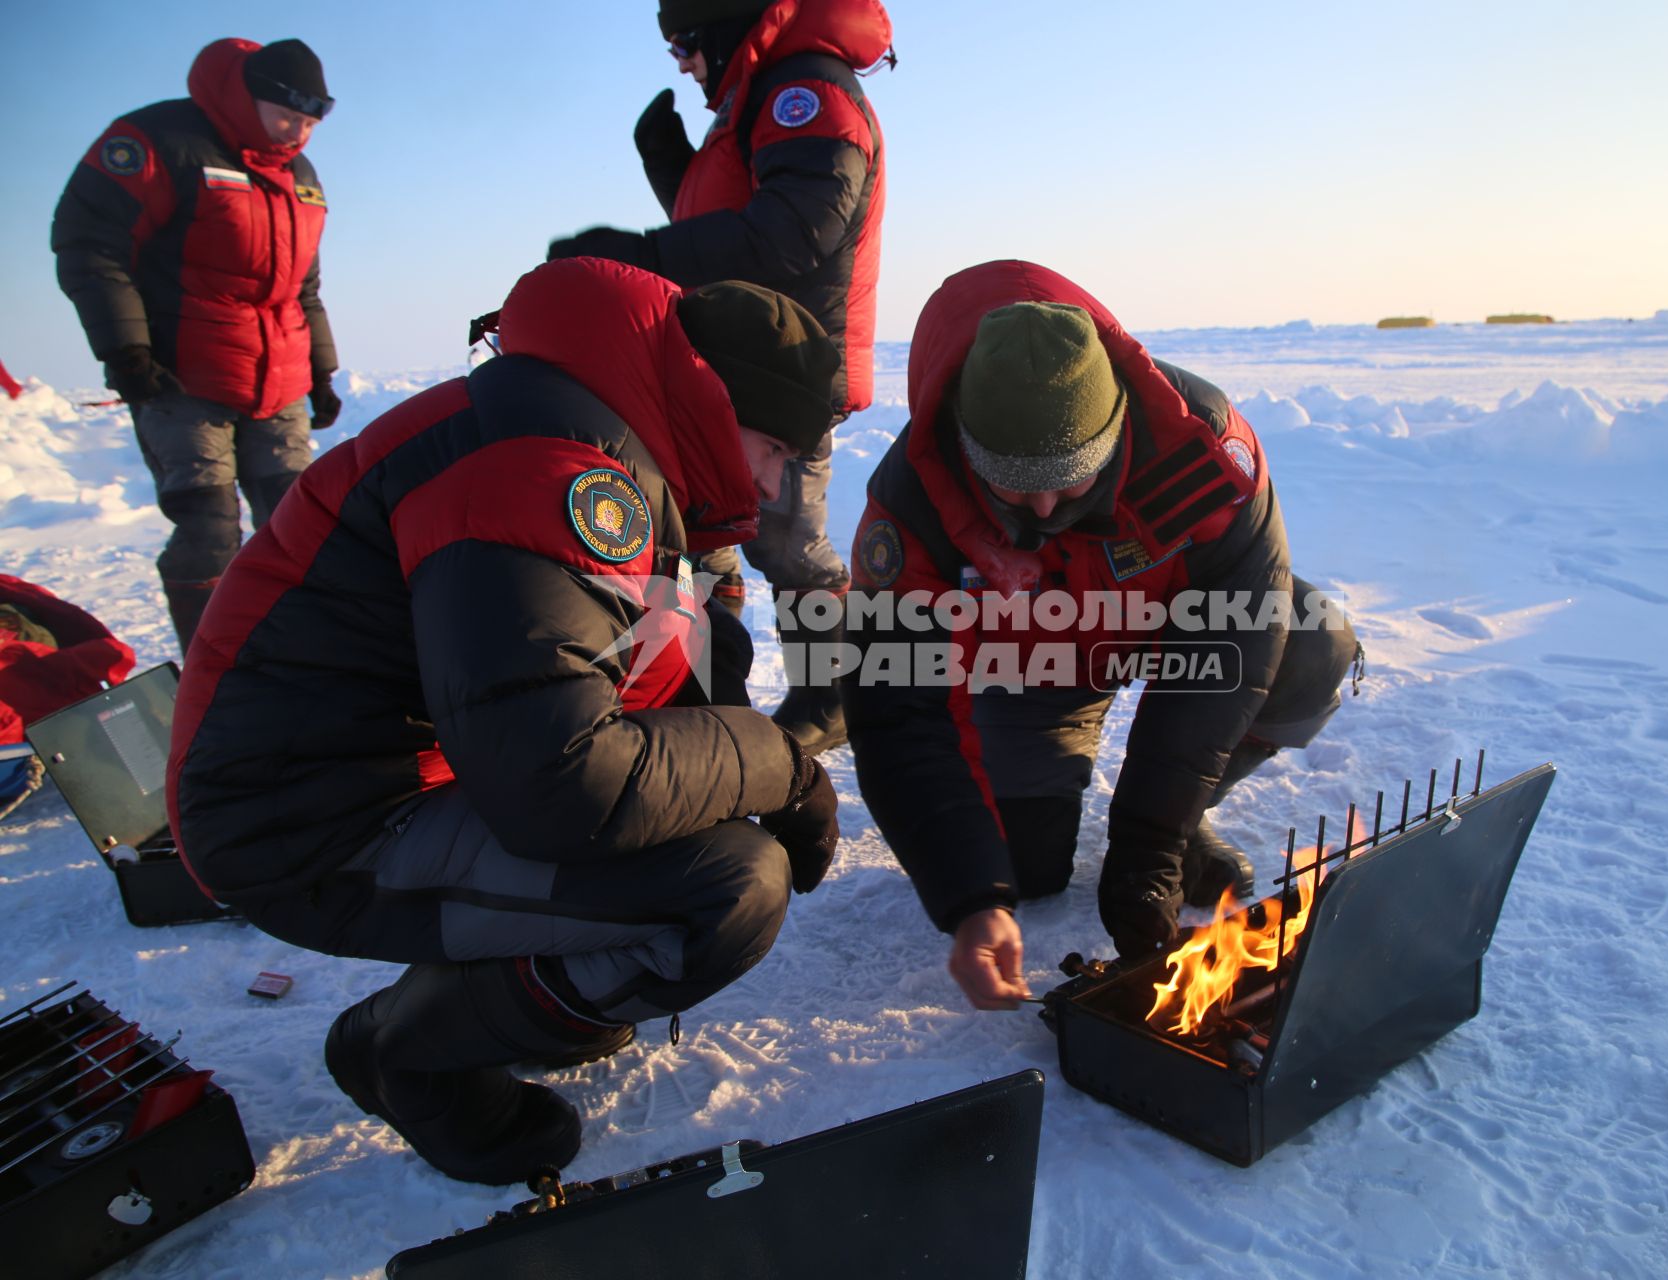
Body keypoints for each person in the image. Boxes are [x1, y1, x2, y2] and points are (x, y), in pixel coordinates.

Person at [166, 259, 844, 1185]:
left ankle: (508, 998)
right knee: (727, 886)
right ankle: (409, 1054)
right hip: (305, 822)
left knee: (692, 799)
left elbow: (644, 700)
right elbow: (565, 784)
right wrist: (782, 765)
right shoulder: (550, 469)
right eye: (776, 452)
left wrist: (736, 735)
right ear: (718, 406)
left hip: (394, 775)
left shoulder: (590, 437)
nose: (770, 488)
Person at [842, 261, 1360, 1009]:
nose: (1046, 505)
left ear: (1116, 431)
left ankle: (1187, 817)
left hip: (1164, 632)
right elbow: (897, 714)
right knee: (1022, 864)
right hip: (1023, 670)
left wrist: (1152, 841)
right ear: (965, 446)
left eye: (1073, 477)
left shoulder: (1202, 448)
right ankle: (1055, 787)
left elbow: (1240, 639)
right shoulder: (912, 501)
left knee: (1313, 644)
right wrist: (970, 897)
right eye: (1014, 484)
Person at [548, 0, 892, 756]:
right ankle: (704, 685)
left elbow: (796, 230)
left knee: (788, 542)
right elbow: (731, 221)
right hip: (732, 363)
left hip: (787, 371)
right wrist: (673, 170)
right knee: (699, 533)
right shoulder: (756, 94)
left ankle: (831, 694)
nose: (679, 62)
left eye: (682, 43)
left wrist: (640, 252)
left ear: (721, 25)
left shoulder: (806, 90)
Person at [52, 38, 341, 652]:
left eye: (312, 121)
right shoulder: (160, 142)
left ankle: (310, 660)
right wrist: (127, 352)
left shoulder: (300, 175)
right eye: (289, 115)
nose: (299, 132)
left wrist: (320, 370)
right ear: (250, 96)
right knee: (210, 529)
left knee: (300, 527)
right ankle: (217, 669)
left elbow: (302, 286)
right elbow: (90, 245)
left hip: (278, 378)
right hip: (183, 377)